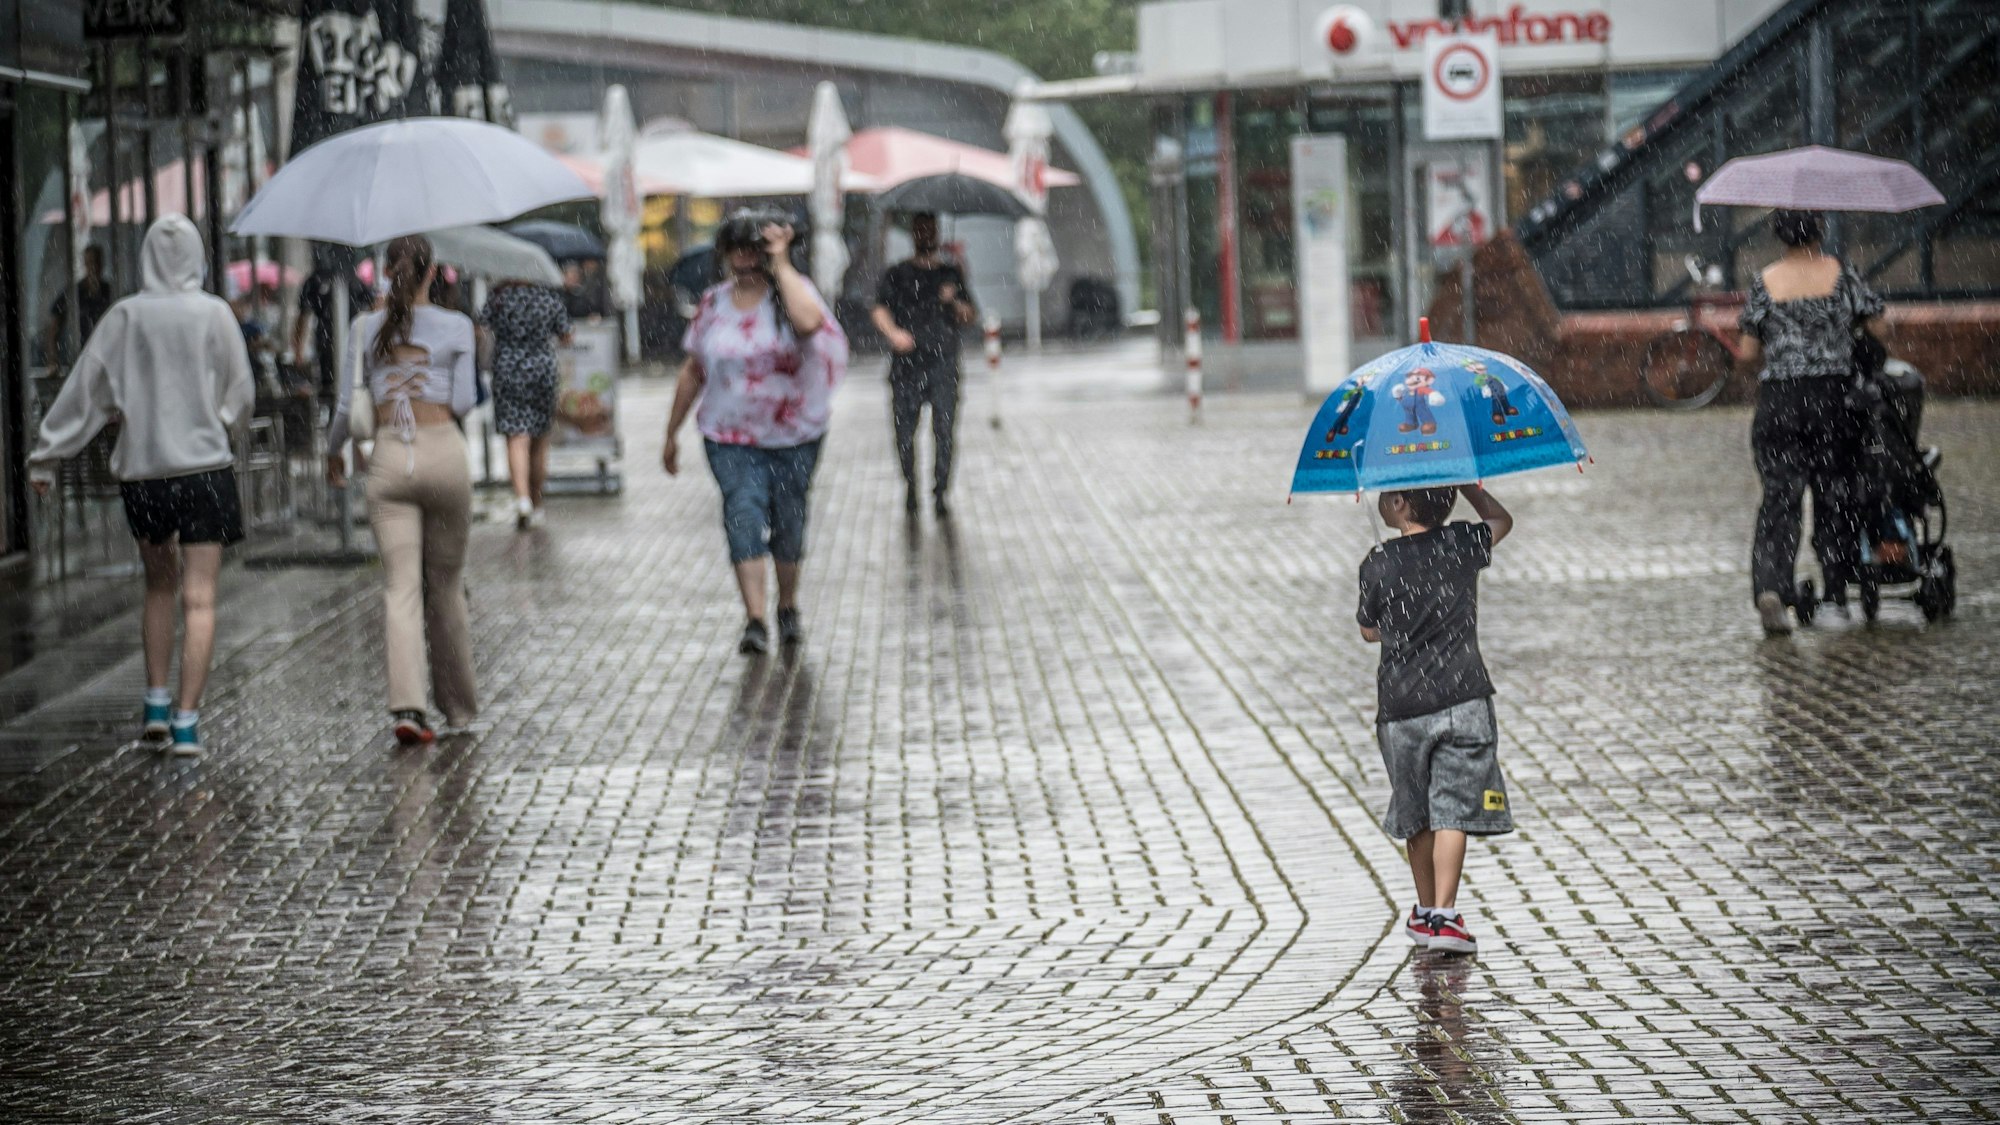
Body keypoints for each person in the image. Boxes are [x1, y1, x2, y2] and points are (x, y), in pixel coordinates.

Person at [27, 215, 255, 757]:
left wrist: (46, 457)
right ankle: (186, 723)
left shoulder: (125, 317)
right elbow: (241, 392)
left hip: (145, 476)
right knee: (200, 600)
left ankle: (154, 704)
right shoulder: (214, 314)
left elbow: (86, 391)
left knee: (158, 587)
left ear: (148, 256)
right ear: (196, 256)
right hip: (204, 471)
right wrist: (221, 422)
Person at [662, 209, 847, 655]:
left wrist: (781, 264)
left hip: (794, 435)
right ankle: (756, 619)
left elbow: (807, 325)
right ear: (724, 251)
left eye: (754, 246)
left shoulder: (793, 293)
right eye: (736, 245)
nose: (744, 255)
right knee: (742, 514)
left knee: (789, 521)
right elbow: (693, 370)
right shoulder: (712, 304)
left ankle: (787, 607)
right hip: (729, 436)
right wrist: (670, 433)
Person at [325, 235, 479, 746]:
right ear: (434, 272)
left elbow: (348, 410)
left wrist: (333, 451)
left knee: (401, 589)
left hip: (390, 455)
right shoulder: (457, 326)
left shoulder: (364, 327)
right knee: (447, 587)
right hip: (444, 452)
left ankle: (408, 706)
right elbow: (464, 401)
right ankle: (457, 707)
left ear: (386, 273)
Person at [1357, 484, 1515, 958]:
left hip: (1402, 707)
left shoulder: (1378, 562)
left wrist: (1396, 623)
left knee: (1416, 812)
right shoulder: (1463, 543)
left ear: (1400, 505)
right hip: (1462, 696)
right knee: (1452, 806)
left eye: (1387, 494)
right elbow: (1502, 521)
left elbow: (1368, 631)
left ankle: (1428, 911)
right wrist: (1469, 486)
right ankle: (1444, 912)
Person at [1738, 208, 1884, 636]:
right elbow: (1880, 324)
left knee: (1779, 498)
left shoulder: (1764, 281)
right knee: (1833, 495)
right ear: (1819, 230)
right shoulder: (1841, 274)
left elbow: (1747, 353)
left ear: (1779, 235)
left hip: (1779, 401)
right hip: (1832, 399)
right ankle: (1834, 595)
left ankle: (1771, 586)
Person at [871, 212, 976, 517]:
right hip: (907, 366)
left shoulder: (951, 273)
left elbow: (970, 316)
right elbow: (879, 308)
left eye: (929, 229)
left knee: (944, 431)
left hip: (943, 363)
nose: (925, 235)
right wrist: (893, 333)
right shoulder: (897, 274)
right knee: (905, 433)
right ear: (913, 234)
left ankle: (940, 491)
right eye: (920, 230)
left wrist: (952, 300)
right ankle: (910, 487)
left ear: (937, 232)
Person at [481, 278, 572, 529]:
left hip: (508, 368)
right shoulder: (547, 299)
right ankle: (537, 501)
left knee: (516, 436)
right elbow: (566, 335)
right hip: (542, 369)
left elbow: (480, 329)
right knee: (540, 439)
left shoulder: (498, 298)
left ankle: (522, 500)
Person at [293, 253, 370, 405]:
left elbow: (302, 318)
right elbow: (302, 318)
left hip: (339, 345)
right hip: (335, 347)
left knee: (338, 392)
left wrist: (298, 352)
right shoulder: (350, 281)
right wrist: (298, 351)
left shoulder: (351, 283)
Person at [42, 244, 114, 366]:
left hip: (106, 357)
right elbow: (53, 327)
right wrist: (52, 359)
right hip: (79, 358)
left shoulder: (109, 292)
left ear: (102, 264)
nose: (94, 267)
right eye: (90, 262)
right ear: (85, 264)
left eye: (96, 262)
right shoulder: (74, 293)